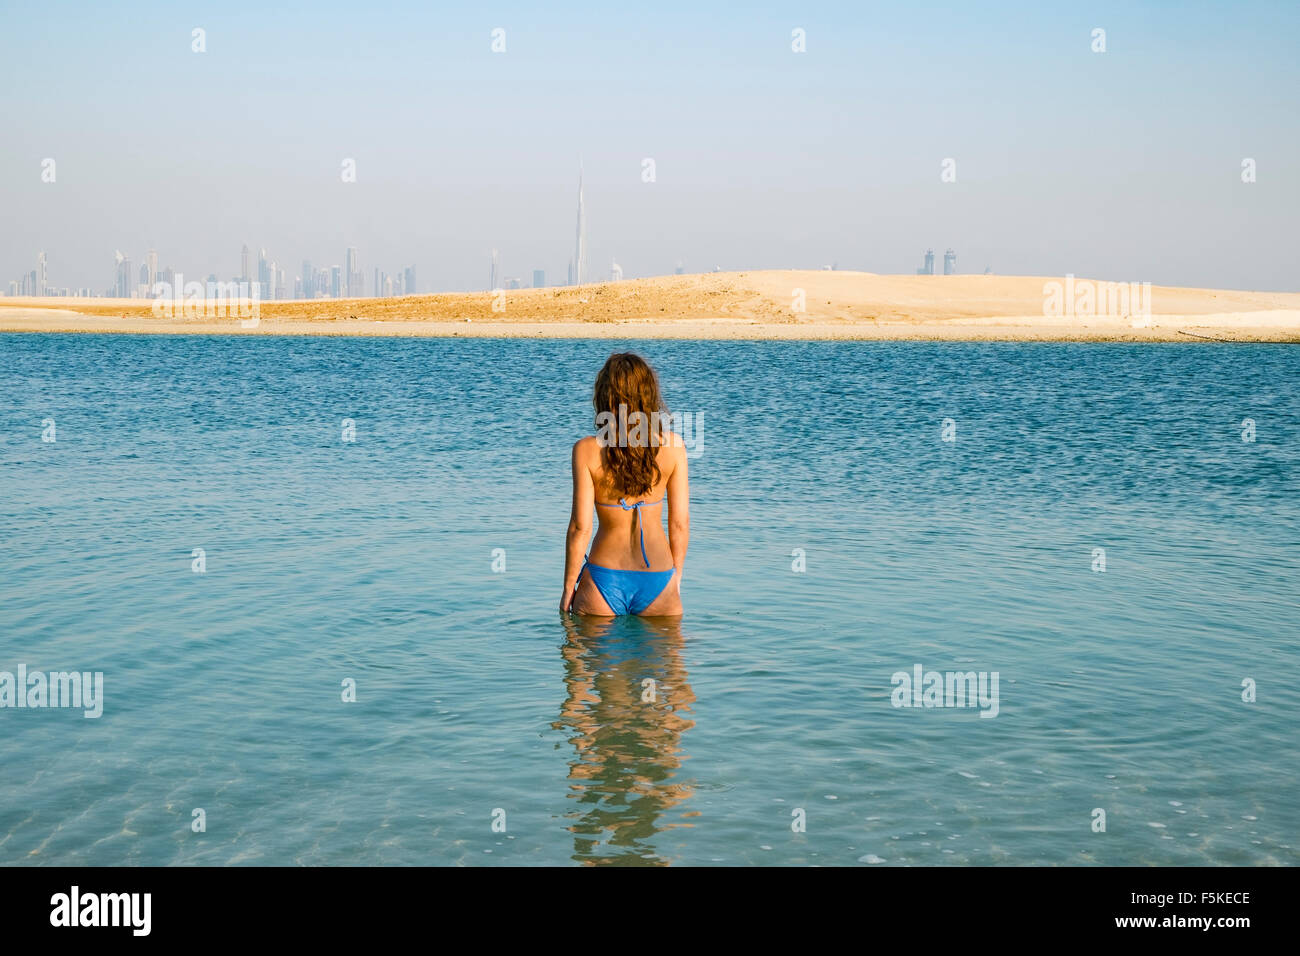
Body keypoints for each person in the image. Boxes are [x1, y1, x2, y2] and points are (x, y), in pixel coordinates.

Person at [560, 353, 688, 616]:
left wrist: (568, 588)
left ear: (604, 396)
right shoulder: (674, 447)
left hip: (602, 580)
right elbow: (680, 524)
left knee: (577, 655)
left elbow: (580, 528)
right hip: (658, 577)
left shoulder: (586, 450)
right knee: (666, 657)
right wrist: (676, 579)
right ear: (649, 395)